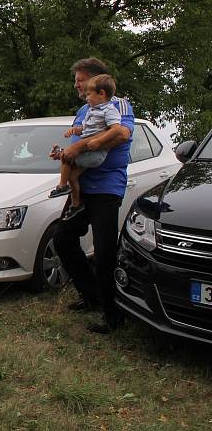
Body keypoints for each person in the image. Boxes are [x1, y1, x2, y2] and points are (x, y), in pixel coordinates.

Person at [51, 58, 133, 334]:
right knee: (62, 238)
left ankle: (113, 315)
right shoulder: (84, 109)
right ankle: (92, 295)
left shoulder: (116, 105)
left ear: (98, 80)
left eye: (81, 80)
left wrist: (81, 146)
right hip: (81, 186)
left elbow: (121, 134)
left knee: (105, 250)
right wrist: (65, 152)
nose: (76, 84)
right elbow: (79, 138)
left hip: (106, 188)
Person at [49, 75, 122, 220]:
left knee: (67, 156)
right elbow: (87, 129)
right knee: (73, 176)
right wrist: (76, 130)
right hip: (88, 150)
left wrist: (100, 141)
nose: (87, 98)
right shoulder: (91, 110)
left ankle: (62, 186)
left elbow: (117, 130)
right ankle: (76, 204)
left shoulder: (109, 110)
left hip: (96, 153)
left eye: (89, 94)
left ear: (102, 94)